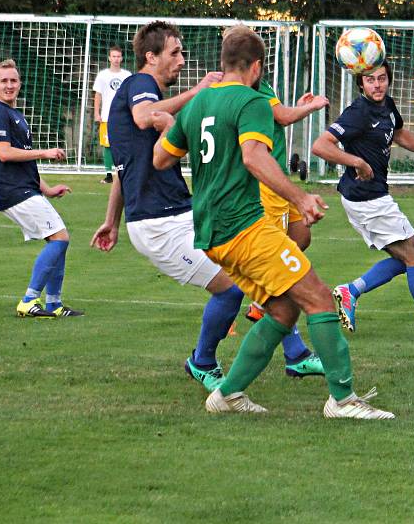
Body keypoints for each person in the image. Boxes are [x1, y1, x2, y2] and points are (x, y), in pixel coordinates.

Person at [153, 24, 393, 419]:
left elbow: (162, 159)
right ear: (257, 67)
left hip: (213, 232)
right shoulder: (251, 102)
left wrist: (184, 135)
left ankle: (227, 394)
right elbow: (253, 156)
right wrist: (301, 196)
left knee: (283, 310)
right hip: (244, 227)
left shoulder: (197, 104)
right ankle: (343, 400)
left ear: (224, 62)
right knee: (317, 296)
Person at [90, 21, 324, 395]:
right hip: (159, 223)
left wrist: (111, 221)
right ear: (150, 57)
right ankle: (202, 361)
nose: (182, 61)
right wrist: (198, 94)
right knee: (231, 288)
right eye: (175, 53)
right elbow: (144, 115)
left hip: (178, 213)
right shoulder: (139, 85)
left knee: (258, 270)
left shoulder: (143, 96)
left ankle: (294, 352)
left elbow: (124, 167)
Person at [311, 61, 414, 341]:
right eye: (370, 80)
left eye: (382, 78)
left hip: (368, 196)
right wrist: (356, 161)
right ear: (361, 84)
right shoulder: (358, 112)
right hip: (367, 198)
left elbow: (398, 132)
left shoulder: (387, 105)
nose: (377, 85)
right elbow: (320, 146)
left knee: (405, 259)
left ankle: (352, 290)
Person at [0, 59, 83, 318]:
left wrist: (47, 189)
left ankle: (53, 304)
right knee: (60, 238)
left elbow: (24, 162)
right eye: (3, 81)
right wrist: (46, 153)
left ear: (20, 84)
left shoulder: (15, 115)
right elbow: (4, 153)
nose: (9, 85)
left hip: (23, 187)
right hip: (11, 190)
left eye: (13, 80)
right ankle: (29, 300)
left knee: (58, 239)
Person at [243, 79, 329, 323]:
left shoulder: (257, 80)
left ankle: (259, 297)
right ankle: (253, 302)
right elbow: (282, 117)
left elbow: (276, 115)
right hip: (269, 182)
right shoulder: (250, 78)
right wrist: (312, 107)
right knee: (274, 253)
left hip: (278, 178)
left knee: (301, 236)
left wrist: (297, 107)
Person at [92, 45, 131, 183]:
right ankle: (109, 175)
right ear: (109, 58)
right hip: (107, 116)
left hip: (124, 117)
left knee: (124, 144)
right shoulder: (103, 75)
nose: (116, 59)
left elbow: (130, 95)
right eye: (113, 56)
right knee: (107, 145)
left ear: (122, 58)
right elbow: (98, 95)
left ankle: (123, 172)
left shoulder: (127, 75)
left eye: (118, 56)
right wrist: (96, 113)